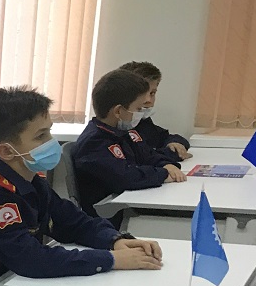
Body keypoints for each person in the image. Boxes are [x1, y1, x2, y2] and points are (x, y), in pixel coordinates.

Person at [0, 86, 163, 286]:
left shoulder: (31, 181)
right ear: (7, 151)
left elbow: (73, 222)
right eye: (41, 136)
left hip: (18, 283)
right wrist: (110, 259)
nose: (51, 141)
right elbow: (32, 260)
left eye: (49, 131)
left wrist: (115, 240)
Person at [70, 68, 186, 214]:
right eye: (138, 109)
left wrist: (166, 164)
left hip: (127, 202)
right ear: (118, 111)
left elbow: (146, 155)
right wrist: (162, 173)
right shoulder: (94, 142)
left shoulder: (122, 133)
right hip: (108, 212)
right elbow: (124, 177)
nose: (140, 114)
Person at [117, 61, 192, 161]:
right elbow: (144, 158)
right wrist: (172, 153)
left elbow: (165, 137)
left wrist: (175, 143)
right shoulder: (120, 126)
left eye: (152, 93)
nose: (148, 100)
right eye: (142, 93)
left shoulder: (143, 122)